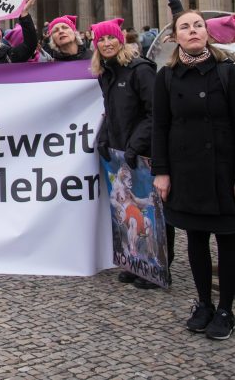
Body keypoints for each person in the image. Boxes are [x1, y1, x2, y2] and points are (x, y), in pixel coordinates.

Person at [152, 10, 235, 340]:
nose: (193, 30)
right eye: (185, 27)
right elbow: (161, 127)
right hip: (185, 169)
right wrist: (162, 173)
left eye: (198, 25)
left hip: (223, 170)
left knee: (227, 240)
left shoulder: (227, 72)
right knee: (195, 239)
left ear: (207, 34)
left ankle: (225, 309)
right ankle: (203, 304)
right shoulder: (166, 77)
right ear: (175, 37)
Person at [91, 19, 167, 290]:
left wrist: (136, 145)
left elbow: (154, 112)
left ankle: (155, 266)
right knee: (128, 209)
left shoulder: (140, 70)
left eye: (110, 38)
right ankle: (136, 262)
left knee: (149, 210)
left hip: (143, 150)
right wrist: (104, 138)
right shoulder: (107, 73)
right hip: (122, 150)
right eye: (101, 40)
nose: (106, 43)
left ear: (120, 40)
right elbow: (111, 112)